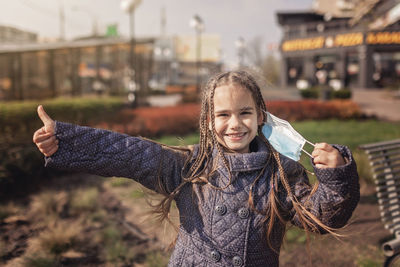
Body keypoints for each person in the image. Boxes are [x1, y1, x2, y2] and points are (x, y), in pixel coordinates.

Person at [33, 70, 359, 266]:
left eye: (244, 113)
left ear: (261, 116)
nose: (235, 124)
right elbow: (129, 153)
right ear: (207, 121)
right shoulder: (191, 166)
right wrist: (65, 140)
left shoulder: (280, 174)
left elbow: (321, 217)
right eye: (223, 115)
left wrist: (336, 174)